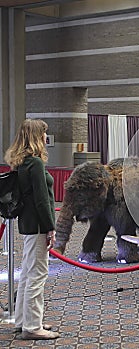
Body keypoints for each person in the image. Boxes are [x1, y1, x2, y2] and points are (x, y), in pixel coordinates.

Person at [4, 119, 60, 340]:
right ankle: (33, 326)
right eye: (45, 134)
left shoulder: (22, 162)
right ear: (37, 137)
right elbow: (41, 201)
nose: (47, 138)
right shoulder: (35, 164)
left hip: (27, 224)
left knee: (27, 274)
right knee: (37, 275)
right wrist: (50, 228)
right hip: (37, 225)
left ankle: (23, 320)